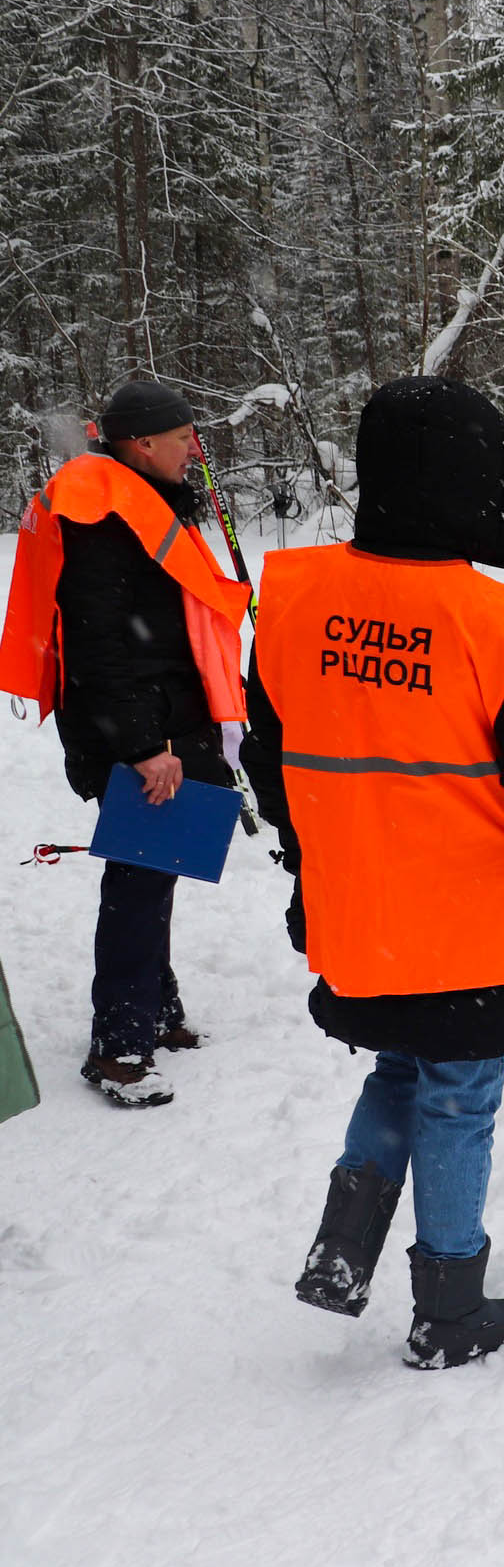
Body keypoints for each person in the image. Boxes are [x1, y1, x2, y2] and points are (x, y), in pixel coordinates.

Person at [242, 376, 504, 1368]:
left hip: (358, 902)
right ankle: (447, 1308)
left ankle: (344, 1249)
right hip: (468, 915)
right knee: (458, 1096)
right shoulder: (497, 620)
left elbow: (273, 757)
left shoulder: (296, 597)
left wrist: (323, 854)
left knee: (399, 1065)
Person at [0, 378, 251, 1107]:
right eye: (182, 440)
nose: (192, 453)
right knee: (139, 880)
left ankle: (156, 1009)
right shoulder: (101, 514)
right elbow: (99, 646)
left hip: (167, 715)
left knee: (160, 865)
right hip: (143, 726)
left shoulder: (128, 501)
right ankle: (119, 1047)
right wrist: (144, 745)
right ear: (140, 442)